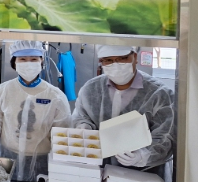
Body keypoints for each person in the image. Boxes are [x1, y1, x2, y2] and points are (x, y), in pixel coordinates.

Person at [0, 41, 71, 182]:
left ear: (41, 61)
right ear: (14, 62)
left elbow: (62, 136)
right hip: (6, 161)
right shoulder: (3, 91)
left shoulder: (56, 96)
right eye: (22, 59)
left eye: (33, 59)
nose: (28, 63)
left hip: (43, 164)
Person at [72, 45, 175, 174]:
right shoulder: (91, 89)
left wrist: (142, 155)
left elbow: (166, 137)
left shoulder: (159, 94)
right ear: (101, 62)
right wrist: (83, 127)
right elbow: (81, 116)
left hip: (144, 175)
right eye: (108, 60)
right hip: (98, 171)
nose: (116, 65)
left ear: (135, 57)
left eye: (122, 58)